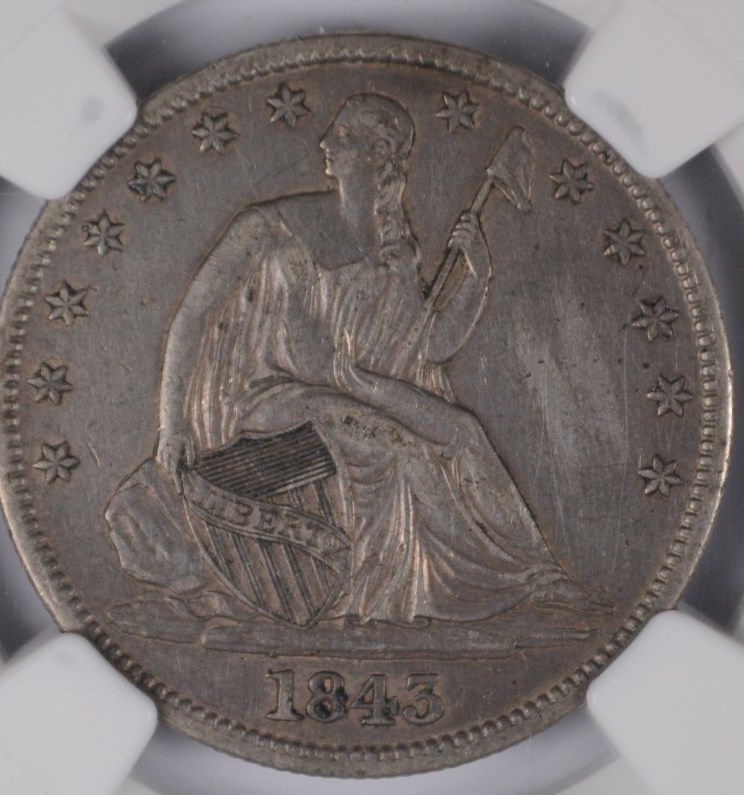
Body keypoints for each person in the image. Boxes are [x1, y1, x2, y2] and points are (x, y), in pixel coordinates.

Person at [109, 93, 602, 633]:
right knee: (402, 448)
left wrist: (477, 278)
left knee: (464, 431)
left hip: (355, 391)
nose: (326, 144)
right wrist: (172, 423)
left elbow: (430, 345)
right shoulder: (267, 226)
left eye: (344, 137)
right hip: (271, 398)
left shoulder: (394, 245)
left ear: (379, 158)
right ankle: (405, 599)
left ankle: (533, 578)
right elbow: (192, 314)